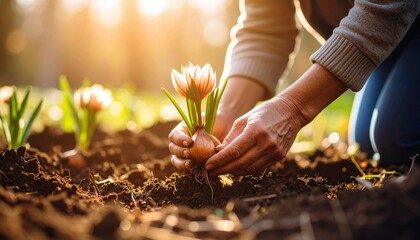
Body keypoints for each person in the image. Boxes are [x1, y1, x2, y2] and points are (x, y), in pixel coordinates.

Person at [168, 0, 420, 176]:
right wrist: (226, 112)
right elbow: (265, 28)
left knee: (396, 140)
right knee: (366, 144)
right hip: (395, 39)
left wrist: (294, 108)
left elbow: (388, 6)